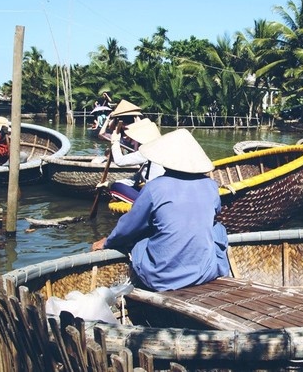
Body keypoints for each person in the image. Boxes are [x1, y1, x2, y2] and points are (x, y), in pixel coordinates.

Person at [91, 128, 230, 292]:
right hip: (206, 271)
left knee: (140, 237)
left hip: (163, 277)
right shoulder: (211, 186)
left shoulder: (154, 188)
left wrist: (108, 242)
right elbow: (213, 213)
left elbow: (128, 227)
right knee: (217, 229)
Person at [107, 118, 165, 203]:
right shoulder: (160, 149)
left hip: (156, 196)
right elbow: (135, 179)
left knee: (115, 187)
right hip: (162, 192)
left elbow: (119, 161)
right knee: (123, 185)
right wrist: (108, 183)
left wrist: (115, 142)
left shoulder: (147, 151)